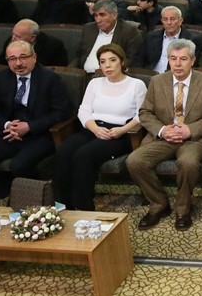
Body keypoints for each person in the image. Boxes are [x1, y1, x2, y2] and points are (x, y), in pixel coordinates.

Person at [127, 39, 202, 232]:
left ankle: (183, 209)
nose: (177, 64)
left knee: (188, 163)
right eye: (173, 59)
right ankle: (159, 204)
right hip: (164, 137)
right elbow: (145, 112)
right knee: (134, 161)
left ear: (193, 60)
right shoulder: (157, 81)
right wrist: (163, 130)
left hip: (194, 139)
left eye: (183, 59)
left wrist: (191, 129)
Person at [0, 40, 73, 202]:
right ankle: (8, 190)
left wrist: (30, 126)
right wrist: (7, 125)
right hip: (11, 134)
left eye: (23, 57)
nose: (18, 63)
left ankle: (40, 195)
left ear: (34, 57)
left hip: (40, 135)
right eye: (12, 59)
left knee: (19, 165)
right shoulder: (2, 78)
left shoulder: (50, 79)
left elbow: (62, 112)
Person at [51, 44, 145, 212]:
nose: (107, 65)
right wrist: (94, 129)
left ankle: (85, 207)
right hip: (92, 128)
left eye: (112, 60)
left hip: (119, 133)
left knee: (83, 155)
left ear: (122, 61)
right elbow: (84, 110)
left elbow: (142, 115)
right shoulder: (95, 83)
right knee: (63, 152)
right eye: (103, 62)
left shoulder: (136, 85)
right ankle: (64, 204)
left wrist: (121, 130)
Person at [76, 0, 143, 72]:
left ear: (114, 15)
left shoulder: (129, 31)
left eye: (102, 15)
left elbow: (131, 60)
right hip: (84, 75)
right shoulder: (88, 28)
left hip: (111, 76)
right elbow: (79, 55)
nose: (98, 20)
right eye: (95, 15)